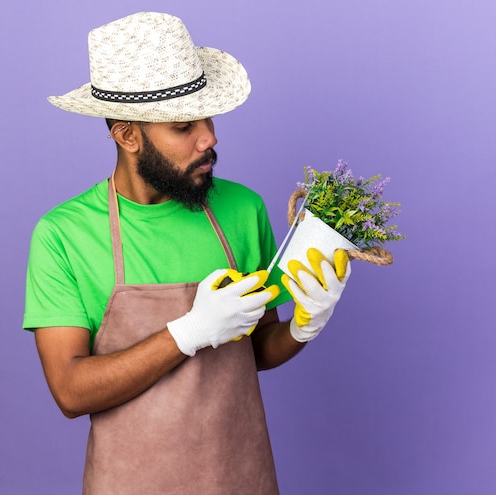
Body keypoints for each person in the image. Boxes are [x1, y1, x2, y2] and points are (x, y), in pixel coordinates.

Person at [23, 11, 351, 495]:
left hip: (242, 476)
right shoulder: (63, 235)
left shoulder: (242, 209)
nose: (209, 138)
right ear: (127, 135)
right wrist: (188, 332)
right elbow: (71, 392)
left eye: (208, 117)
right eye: (183, 127)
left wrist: (305, 326)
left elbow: (256, 350)